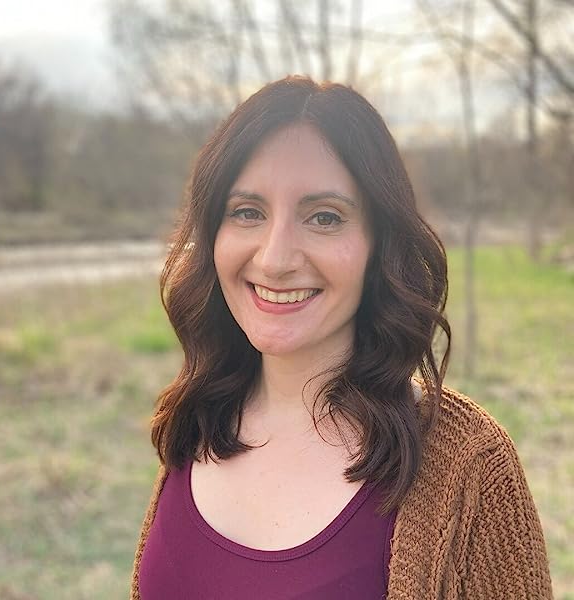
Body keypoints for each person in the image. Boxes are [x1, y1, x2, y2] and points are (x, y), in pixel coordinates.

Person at [130, 75, 552, 599]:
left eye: (324, 217)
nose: (275, 259)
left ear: (380, 244)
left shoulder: (470, 468)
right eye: (247, 212)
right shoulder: (196, 418)